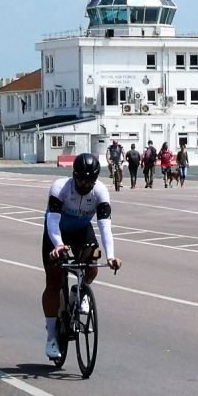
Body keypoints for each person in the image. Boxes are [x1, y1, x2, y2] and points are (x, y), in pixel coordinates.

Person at [42, 152, 121, 360]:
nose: (86, 184)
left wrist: (111, 256)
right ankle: (51, 336)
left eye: (90, 180)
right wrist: (58, 245)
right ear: (74, 175)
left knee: (93, 263)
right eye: (82, 179)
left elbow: (105, 227)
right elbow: (52, 221)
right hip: (56, 232)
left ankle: (79, 290)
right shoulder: (60, 188)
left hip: (81, 230)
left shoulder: (101, 192)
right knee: (53, 281)